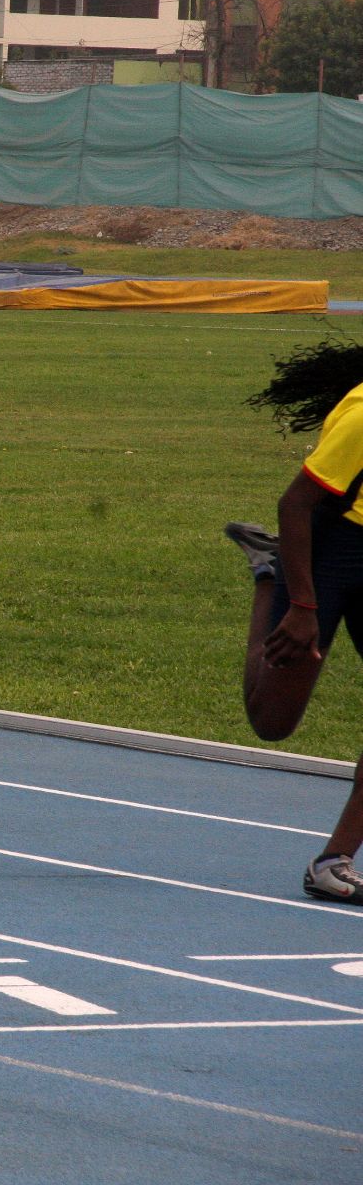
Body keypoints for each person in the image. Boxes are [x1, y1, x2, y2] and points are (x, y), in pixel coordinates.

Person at [224, 335, 363, 905]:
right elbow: (296, 503)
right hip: (332, 548)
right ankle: (269, 574)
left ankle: (334, 862)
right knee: (273, 721)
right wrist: (301, 606)